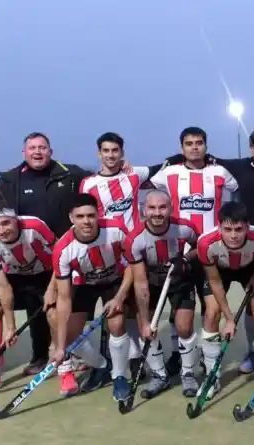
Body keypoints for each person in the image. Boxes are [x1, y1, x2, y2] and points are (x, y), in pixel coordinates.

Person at [169, 128, 254, 375]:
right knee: (225, 307)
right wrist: (177, 160)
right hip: (240, 239)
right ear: (251, 148)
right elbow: (203, 158)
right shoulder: (238, 167)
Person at [0, 132, 92, 375]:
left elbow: (100, 181)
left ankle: (73, 352)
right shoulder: (10, 180)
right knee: (37, 308)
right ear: (24, 152)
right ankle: (40, 356)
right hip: (30, 255)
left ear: (51, 150)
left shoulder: (71, 174)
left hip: (66, 252)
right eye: (32, 148)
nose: (37, 152)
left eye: (42, 147)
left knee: (67, 307)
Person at [149, 126, 239, 375]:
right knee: (180, 309)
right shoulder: (169, 173)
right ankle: (179, 355)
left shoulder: (219, 172)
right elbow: (148, 185)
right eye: (189, 143)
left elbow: (237, 191)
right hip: (180, 252)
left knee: (212, 309)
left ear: (206, 146)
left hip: (211, 251)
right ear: (182, 148)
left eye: (199, 143)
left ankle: (206, 357)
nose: (195, 147)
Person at [81, 132, 165, 373]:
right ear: (99, 153)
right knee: (116, 308)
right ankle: (121, 360)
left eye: (115, 151)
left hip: (135, 250)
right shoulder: (89, 183)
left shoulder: (134, 175)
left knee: (138, 306)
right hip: (108, 252)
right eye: (106, 151)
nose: (110, 155)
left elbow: (163, 165)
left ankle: (142, 358)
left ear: (122, 153)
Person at [0, 194, 58, 398]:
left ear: (15, 219)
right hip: (13, 278)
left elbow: (60, 258)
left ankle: (63, 360)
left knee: (54, 316)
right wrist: (10, 328)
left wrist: (52, 289)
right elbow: (3, 286)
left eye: (6, 223)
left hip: (46, 274)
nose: (1, 230)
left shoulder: (35, 227)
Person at [50, 193, 133, 401]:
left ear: (98, 215)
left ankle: (120, 376)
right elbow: (63, 299)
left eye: (90, 215)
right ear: (71, 218)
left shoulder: (116, 229)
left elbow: (134, 264)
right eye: (80, 217)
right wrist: (60, 347)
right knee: (70, 334)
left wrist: (120, 296)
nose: (86, 221)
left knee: (116, 324)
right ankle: (103, 366)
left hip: (115, 279)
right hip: (84, 284)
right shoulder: (63, 249)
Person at [124, 190, 201, 398]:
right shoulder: (135, 240)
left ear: (170, 208)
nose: (157, 213)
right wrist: (145, 320)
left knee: (184, 327)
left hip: (180, 280)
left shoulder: (185, 227)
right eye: (151, 208)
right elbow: (140, 284)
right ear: (143, 210)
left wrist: (185, 260)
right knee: (146, 329)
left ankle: (188, 374)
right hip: (151, 283)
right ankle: (159, 376)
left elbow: (200, 246)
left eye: (162, 207)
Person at [196, 202, 254, 399]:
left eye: (239, 229)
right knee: (212, 313)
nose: (233, 235)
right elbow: (214, 282)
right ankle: (212, 376)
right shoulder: (206, 244)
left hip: (250, 267)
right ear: (219, 226)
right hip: (220, 270)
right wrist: (229, 318)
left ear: (247, 226)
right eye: (227, 229)